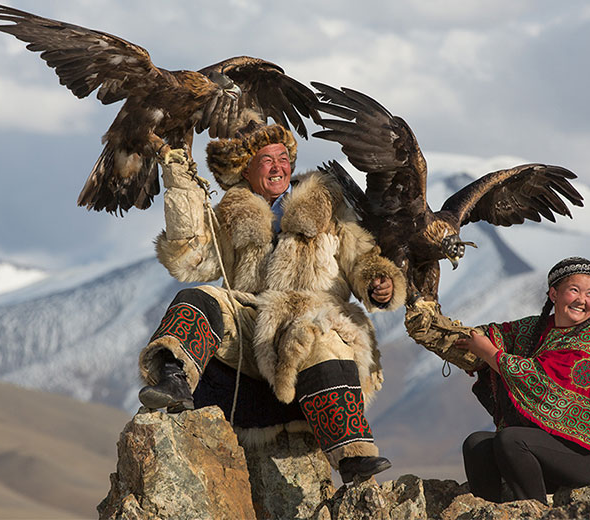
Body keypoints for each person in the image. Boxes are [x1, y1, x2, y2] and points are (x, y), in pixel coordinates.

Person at [136, 123, 406, 484]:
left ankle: (352, 456)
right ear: (246, 169)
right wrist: (178, 181)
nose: (278, 166)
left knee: (317, 333)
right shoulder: (232, 214)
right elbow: (189, 259)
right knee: (200, 298)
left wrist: (379, 283)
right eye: (266, 160)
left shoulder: (328, 206)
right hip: (257, 336)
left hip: (321, 329)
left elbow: (364, 260)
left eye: (284, 157)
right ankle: (173, 379)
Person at [453, 257, 590, 504]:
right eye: (574, 290)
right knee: (476, 443)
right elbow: (494, 334)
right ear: (554, 294)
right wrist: (457, 342)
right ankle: (492, 510)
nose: (582, 300)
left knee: (511, 439)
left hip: (581, 456)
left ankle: (534, 511)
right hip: (539, 448)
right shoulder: (535, 329)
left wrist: (489, 354)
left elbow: (537, 379)